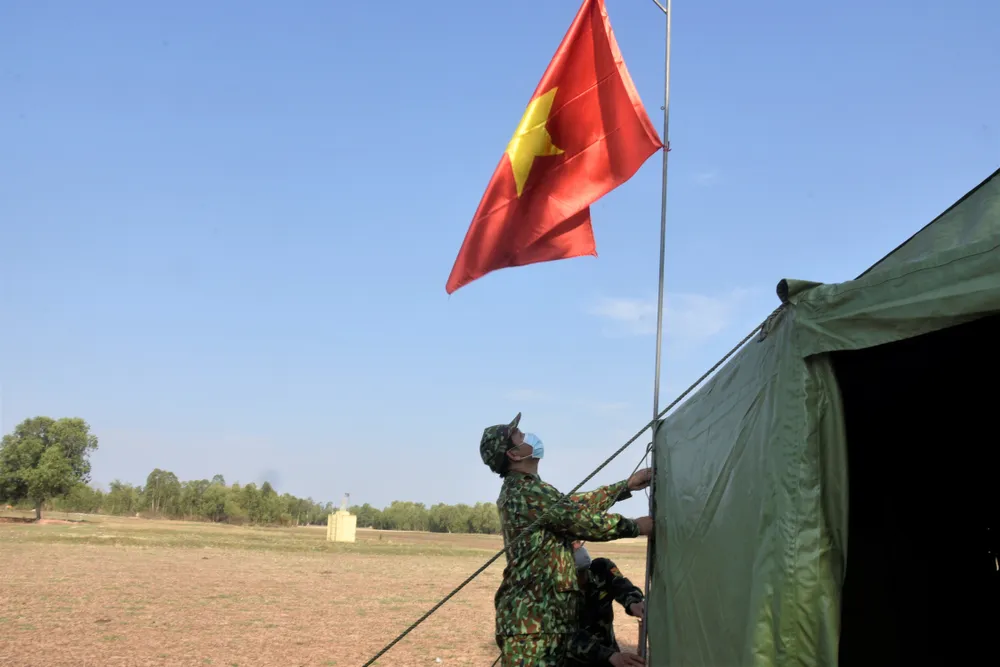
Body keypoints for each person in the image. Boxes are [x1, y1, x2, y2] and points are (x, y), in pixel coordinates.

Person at [479, 412, 654, 667]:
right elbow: (579, 520)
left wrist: (625, 486)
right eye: (519, 435)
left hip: (540, 626)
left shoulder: (530, 489)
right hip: (532, 629)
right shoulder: (525, 491)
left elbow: (572, 507)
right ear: (514, 454)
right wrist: (634, 526)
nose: (528, 437)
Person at [565, 541, 646, 667]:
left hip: (610, 658)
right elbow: (566, 637)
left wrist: (633, 602)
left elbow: (621, 585)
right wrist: (608, 655)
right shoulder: (553, 589)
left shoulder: (602, 568)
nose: (576, 546)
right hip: (576, 661)